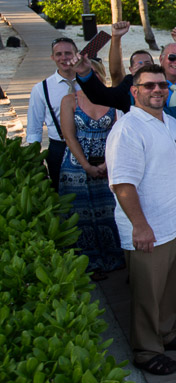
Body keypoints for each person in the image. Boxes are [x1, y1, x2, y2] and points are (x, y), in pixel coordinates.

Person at [106, 64, 176, 375]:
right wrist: (140, 226)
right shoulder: (128, 129)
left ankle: (165, 333)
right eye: (148, 86)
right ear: (135, 91)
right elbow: (123, 183)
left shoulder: (171, 123)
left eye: (161, 85)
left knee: (170, 289)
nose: (157, 90)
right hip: (148, 228)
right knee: (147, 293)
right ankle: (146, 350)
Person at [58, 60, 122, 279]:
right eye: (85, 72)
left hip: (109, 162)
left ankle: (115, 257)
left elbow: (118, 132)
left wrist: (106, 163)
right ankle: (88, 262)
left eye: (94, 72)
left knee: (111, 211)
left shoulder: (112, 99)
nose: (89, 75)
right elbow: (69, 135)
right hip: (77, 166)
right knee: (80, 214)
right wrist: (85, 164)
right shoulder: (69, 100)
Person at [27, 36, 79, 187]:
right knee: (61, 192)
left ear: (76, 54)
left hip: (88, 145)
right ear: (52, 57)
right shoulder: (41, 89)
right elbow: (34, 127)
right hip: (59, 147)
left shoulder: (90, 82)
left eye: (68, 53)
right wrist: (34, 158)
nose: (64, 58)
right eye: (59, 54)